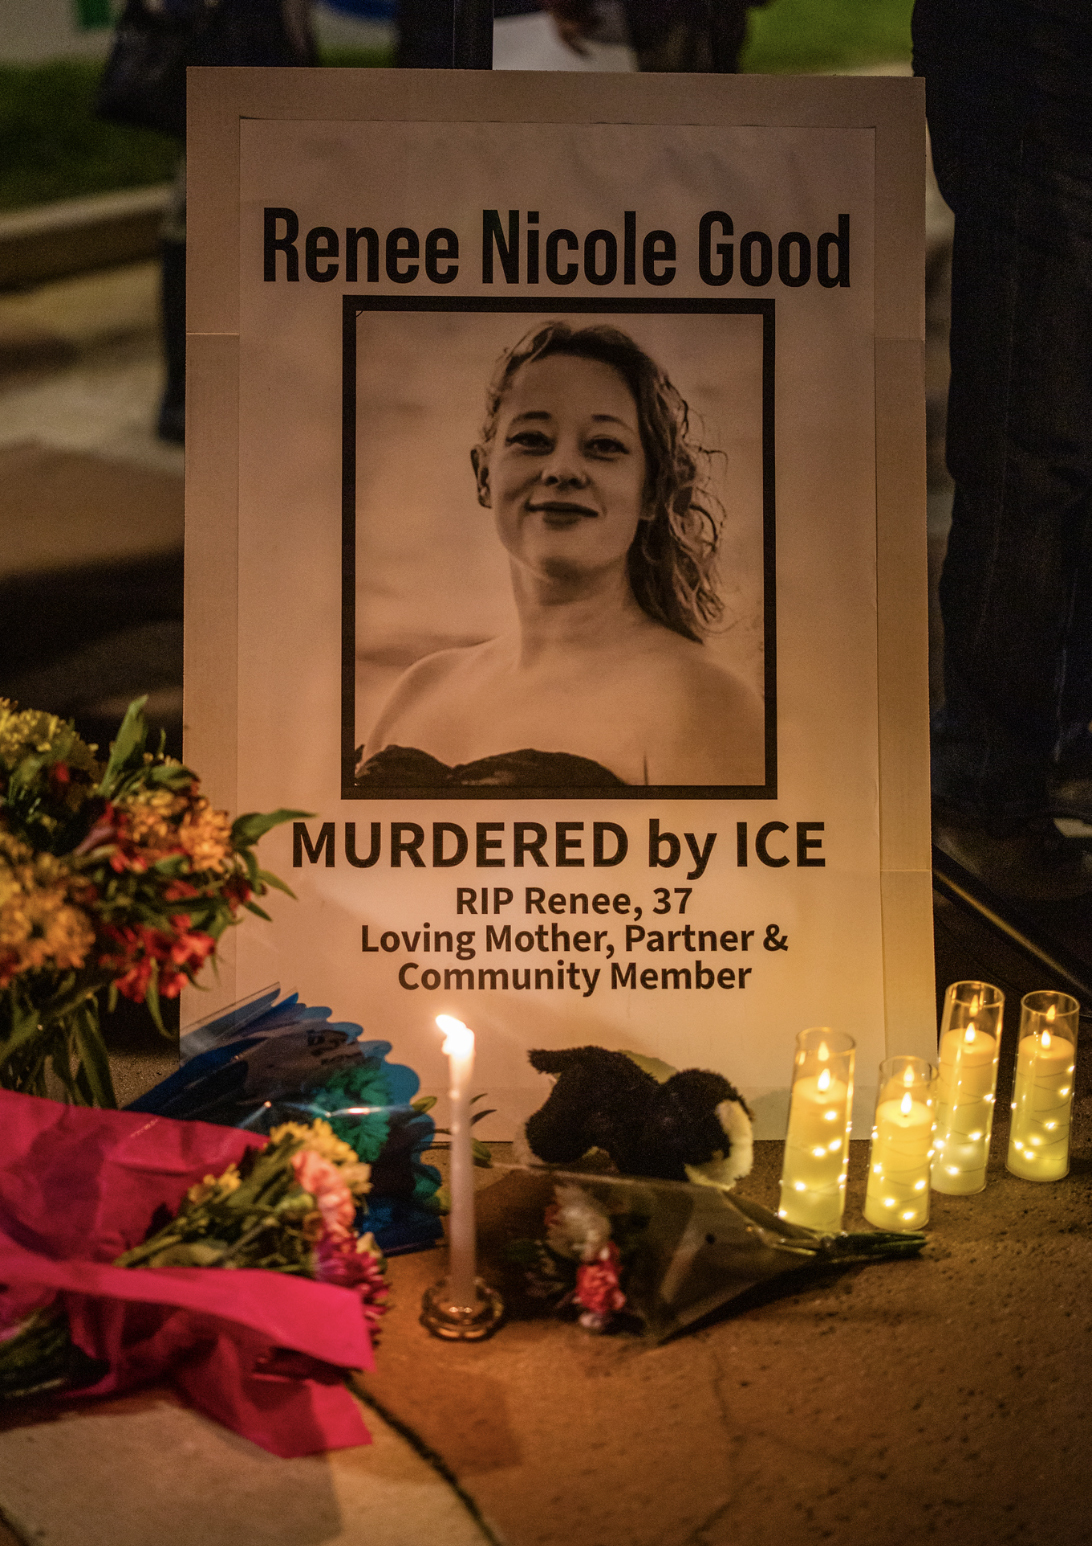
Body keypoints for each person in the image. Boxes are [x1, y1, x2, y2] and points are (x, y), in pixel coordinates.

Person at [357, 322, 763, 789]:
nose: (563, 470)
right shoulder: (418, 690)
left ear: (651, 492)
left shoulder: (706, 703)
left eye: (604, 447)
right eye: (532, 439)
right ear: (483, 476)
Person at [914, 0, 1092, 899]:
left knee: (1039, 440)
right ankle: (990, 786)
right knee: (1036, 439)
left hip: (1036, 64)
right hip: (1040, 60)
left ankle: (1023, 768)